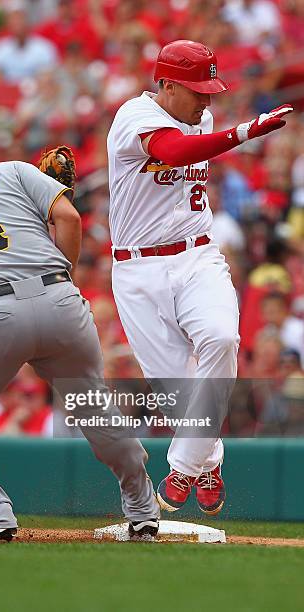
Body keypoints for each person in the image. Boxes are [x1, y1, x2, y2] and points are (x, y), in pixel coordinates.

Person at [0, 119, 159, 543]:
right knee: (92, 405)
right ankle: (143, 510)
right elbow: (70, 218)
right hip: (60, 300)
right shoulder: (11, 170)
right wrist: (65, 279)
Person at [107, 39, 292, 515]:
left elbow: (186, 145)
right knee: (178, 390)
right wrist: (245, 132)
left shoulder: (199, 117)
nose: (206, 100)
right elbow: (172, 150)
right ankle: (208, 462)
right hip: (138, 269)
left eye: (210, 89)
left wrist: (231, 132)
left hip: (197, 255)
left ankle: (183, 467)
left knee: (221, 338)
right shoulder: (133, 116)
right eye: (196, 90)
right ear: (166, 84)